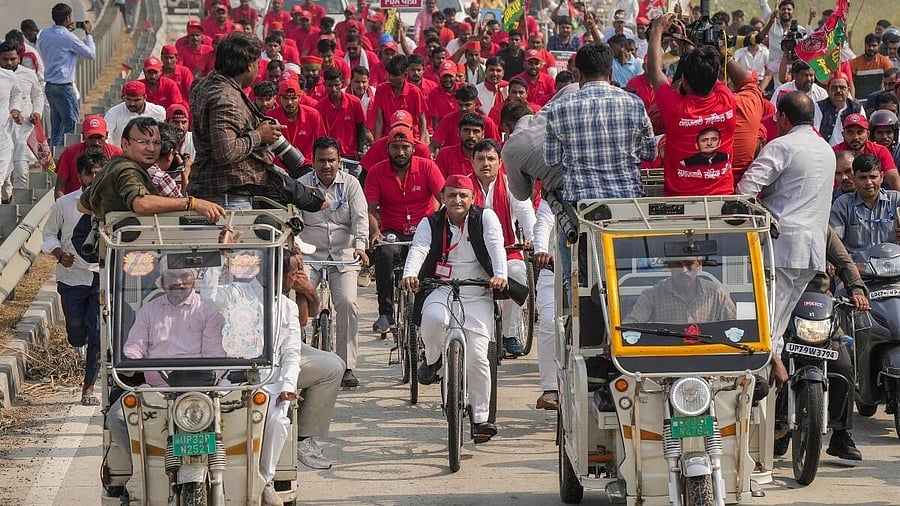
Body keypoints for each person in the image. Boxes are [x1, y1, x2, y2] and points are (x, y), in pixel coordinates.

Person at [736, 91, 835, 391]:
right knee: (776, 321)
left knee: (766, 320)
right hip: (811, 253)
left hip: (782, 247)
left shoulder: (782, 146)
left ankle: (769, 373)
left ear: (782, 117)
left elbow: (744, 191)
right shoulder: (827, 150)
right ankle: (773, 368)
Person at [104, 259, 227, 497]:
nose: (178, 282)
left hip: (202, 393)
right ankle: (140, 470)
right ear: (161, 282)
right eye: (172, 277)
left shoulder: (208, 311)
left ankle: (258, 479)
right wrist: (127, 360)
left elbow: (216, 356)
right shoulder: (149, 310)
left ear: (194, 280)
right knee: (116, 416)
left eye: (184, 276)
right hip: (156, 392)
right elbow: (135, 345)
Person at [402, 174, 508, 442]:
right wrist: (410, 273)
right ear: (443, 198)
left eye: (463, 195)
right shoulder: (431, 222)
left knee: (478, 358)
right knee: (434, 318)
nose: (457, 200)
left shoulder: (485, 218)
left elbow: (497, 247)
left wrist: (500, 275)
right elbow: (419, 248)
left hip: (479, 291)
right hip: (442, 288)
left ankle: (481, 418)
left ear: (473, 198)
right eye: (451, 195)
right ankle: (433, 359)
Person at [187, 33, 323, 212]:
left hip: (215, 190)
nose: (259, 69)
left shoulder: (207, 86)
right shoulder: (225, 97)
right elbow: (226, 152)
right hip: (227, 199)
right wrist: (259, 135)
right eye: (258, 64)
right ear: (249, 65)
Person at [298, 138, 370, 388]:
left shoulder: (351, 184)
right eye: (321, 160)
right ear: (313, 161)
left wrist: (361, 246)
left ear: (339, 161)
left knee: (348, 303)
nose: (327, 165)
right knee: (298, 300)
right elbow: (293, 220)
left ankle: (347, 365)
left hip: (344, 254)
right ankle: (299, 358)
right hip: (309, 253)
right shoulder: (302, 185)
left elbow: (361, 218)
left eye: (331, 160)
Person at [544, 43, 656, 202]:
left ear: (579, 74)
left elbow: (551, 159)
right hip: (631, 203)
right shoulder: (635, 104)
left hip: (581, 208)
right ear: (611, 73)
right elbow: (650, 154)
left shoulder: (558, 108)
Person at [365, 126, 445, 333]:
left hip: (425, 229)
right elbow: (370, 210)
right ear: (387, 148)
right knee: (384, 252)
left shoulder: (428, 167)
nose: (400, 152)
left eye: (405, 147)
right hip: (394, 231)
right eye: (395, 147)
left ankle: (427, 309)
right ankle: (386, 312)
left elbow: (444, 200)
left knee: (433, 264)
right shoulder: (376, 172)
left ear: (413, 148)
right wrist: (375, 232)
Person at [647, 14, 736, 196]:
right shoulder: (727, 98)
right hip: (722, 197)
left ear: (684, 82)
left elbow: (655, 70)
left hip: (680, 200)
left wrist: (657, 30)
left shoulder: (674, 108)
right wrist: (687, 42)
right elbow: (709, 71)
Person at [41, 150, 104, 406]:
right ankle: (79, 340)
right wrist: (58, 253)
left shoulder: (115, 203)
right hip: (72, 278)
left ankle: (89, 387)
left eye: (98, 174)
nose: (93, 179)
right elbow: (48, 235)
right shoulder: (65, 204)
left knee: (98, 333)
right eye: (89, 174)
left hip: (101, 279)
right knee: (76, 331)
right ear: (80, 176)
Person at [80, 117, 225, 223]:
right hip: (134, 255)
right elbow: (141, 204)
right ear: (125, 144)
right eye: (143, 142)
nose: (151, 148)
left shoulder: (112, 166)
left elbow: (82, 205)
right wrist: (192, 203)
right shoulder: (128, 170)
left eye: (156, 143)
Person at [469, 139, 535, 357]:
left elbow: (525, 212)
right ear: (472, 162)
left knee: (517, 273)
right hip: (472, 254)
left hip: (508, 249)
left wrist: (533, 236)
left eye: (491, 158)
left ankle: (509, 334)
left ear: (500, 162)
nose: (485, 163)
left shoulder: (509, 185)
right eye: (480, 159)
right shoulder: (463, 188)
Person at [38, 3, 95, 147]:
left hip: (50, 86)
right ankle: (64, 159)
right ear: (68, 18)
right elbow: (90, 54)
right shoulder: (68, 37)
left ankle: (53, 160)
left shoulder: (44, 33)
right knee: (70, 126)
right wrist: (88, 34)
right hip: (64, 87)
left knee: (56, 127)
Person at [623, 258, 737, 324]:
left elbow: (735, 327)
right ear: (669, 266)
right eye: (677, 264)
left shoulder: (717, 294)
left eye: (688, 264)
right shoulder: (652, 295)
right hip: (668, 359)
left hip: (709, 359)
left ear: (699, 265)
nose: (683, 270)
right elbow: (632, 324)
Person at [830, 154, 900, 256]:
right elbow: (834, 240)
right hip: (857, 267)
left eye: (873, 177)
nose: (868, 182)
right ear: (854, 178)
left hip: (893, 264)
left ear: (881, 177)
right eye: (863, 178)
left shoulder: (896, 200)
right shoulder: (843, 204)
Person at [0, 40, 41, 202]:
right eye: (5, 59)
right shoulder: (5, 77)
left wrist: (37, 112)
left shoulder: (28, 74)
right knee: (6, 171)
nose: (9, 63)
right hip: (5, 130)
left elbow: (38, 95)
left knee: (21, 168)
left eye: (13, 59)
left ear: (19, 58)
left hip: (24, 129)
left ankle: (20, 208)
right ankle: (7, 200)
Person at [54, 116, 123, 198]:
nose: (96, 142)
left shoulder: (117, 154)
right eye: (91, 138)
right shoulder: (70, 153)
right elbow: (60, 187)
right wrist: (64, 205)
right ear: (83, 136)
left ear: (106, 135)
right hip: (75, 203)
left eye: (99, 138)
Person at [316, 68, 371, 161]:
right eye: (330, 85)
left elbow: (360, 128)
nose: (333, 89)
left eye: (336, 85)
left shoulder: (355, 102)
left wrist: (360, 150)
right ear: (324, 84)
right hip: (331, 156)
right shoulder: (319, 107)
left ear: (342, 83)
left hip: (352, 156)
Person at [373, 54, 429, 141]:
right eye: (389, 74)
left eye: (395, 75)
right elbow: (379, 120)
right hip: (388, 138)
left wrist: (421, 142)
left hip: (411, 138)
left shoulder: (414, 91)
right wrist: (376, 143)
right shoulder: (381, 89)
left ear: (405, 75)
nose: (391, 78)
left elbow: (422, 120)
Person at [104, 81, 167, 147]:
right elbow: (106, 138)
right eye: (128, 99)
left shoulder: (159, 112)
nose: (132, 104)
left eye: (136, 100)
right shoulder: (113, 113)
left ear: (145, 97)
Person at [814, 72, 864, 147]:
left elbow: (863, 134)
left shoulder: (857, 108)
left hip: (851, 151)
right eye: (834, 88)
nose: (838, 91)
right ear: (828, 90)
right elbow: (815, 133)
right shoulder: (819, 107)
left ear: (848, 90)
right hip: (826, 151)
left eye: (842, 87)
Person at [850, 33, 895, 99]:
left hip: (879, 99)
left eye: (874, 46)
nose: (871, 48)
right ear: (865, 45)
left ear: (879, 46)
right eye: (869, 45)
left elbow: (892, 80)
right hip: (859, 99)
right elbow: (850, 83)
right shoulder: (855, 63)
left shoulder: (884, 61)